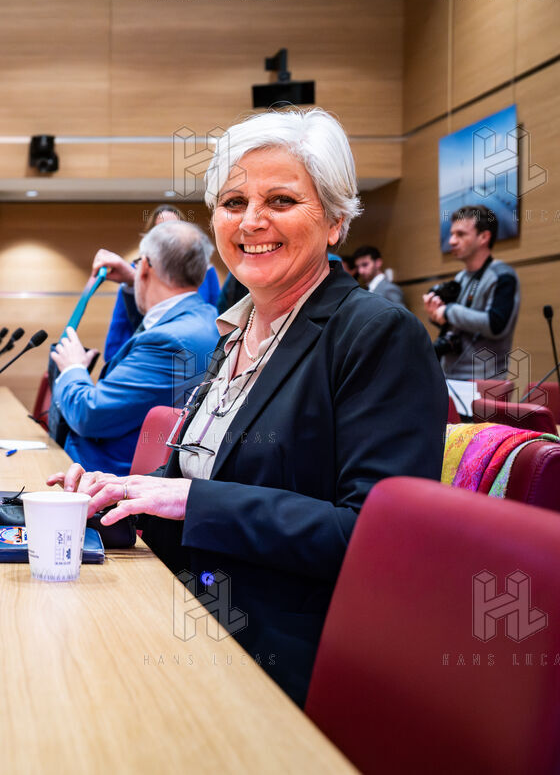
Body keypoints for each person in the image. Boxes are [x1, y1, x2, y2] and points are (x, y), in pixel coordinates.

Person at [49, 108, 444, 706]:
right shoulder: (236, 331)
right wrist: (122, 497)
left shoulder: (376, 334)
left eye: (281, 200)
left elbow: (378, 537)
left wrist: (189, 499)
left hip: (283, 654)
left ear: (336, 221)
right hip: (186, 611)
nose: (252, 220)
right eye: (233, 202)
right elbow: (198, 488)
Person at [49, 220, 219, 476]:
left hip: (103, 476)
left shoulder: (167, 342)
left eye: (139, 264)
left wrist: (73, 368)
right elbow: (159, 318)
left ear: (146, 266)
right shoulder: (208, 318)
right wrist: (134, 281)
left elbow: (89, 415)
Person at [100, 204, 220, 360]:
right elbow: (120, 326)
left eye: (174, 228)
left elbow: (217, 315)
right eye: (162, 230)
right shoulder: (136, 270)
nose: (169, 238)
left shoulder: (205, 271)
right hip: (146, 355)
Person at [424, 204, 520, 380]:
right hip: (450, 376)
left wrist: (449, 311)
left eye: (460, 234)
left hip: (484, 382)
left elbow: (495, 326)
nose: (451, 241)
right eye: (452, 234)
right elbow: (462, 325)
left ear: (484, 237)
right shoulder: (462, 276)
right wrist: (437, 315)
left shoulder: (502, 275)